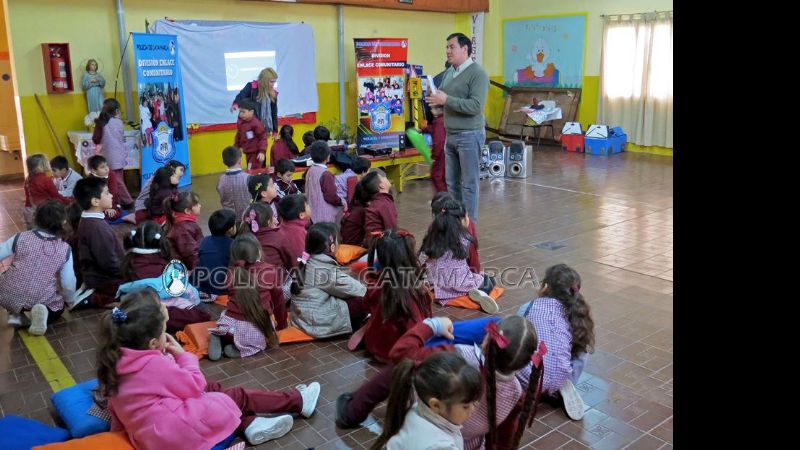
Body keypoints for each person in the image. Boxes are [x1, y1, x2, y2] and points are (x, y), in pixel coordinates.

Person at [96, 289, 321, 448]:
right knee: (233, 396)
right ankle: (297, 400)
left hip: (153, 435)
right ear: (153, 343)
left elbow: (117, 415)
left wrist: (122, 438)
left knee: (216, 390)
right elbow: (196, 385)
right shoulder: (153, 363)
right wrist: (184, 356)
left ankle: (251, 423)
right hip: (175, 433)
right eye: (165, 328)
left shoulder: (115, 361)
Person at [516, 264, 595, 421]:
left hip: (530, 379)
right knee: (581, 347)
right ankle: (565, 384)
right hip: (561, 376)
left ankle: (521, 389)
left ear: (545, 286)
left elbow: (518, 337)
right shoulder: (576, 314)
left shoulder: (528, 307)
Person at [424, 33, 489, 223]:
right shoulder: (449, 72)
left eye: (452, 47)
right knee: (451, 183)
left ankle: (470, 225)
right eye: (447, 47)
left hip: (469, 134)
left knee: (469, 183)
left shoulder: (478, 74)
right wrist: (435, 100)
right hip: (450, 134)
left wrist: (446, 99)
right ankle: (455, 221)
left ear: (465, 49)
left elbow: (476, 106)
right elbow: (446, 102)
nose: (448, 51)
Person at [370, 352, 482, 450]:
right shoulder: (440, 446)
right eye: (466, 406)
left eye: (474, 402)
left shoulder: (418, 407)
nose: (473, 409)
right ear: (436, 405)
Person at [0, 201, 77, 335]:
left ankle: (16, 317)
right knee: (57, 309)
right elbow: (68, 283)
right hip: (40, 298)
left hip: (6, 295)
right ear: (64, 222)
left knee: (8, 275)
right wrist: (70, 300)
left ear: (36, 218)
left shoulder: (21, 237)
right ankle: (32, 317)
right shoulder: (65, 250)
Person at [92, 98, 134, 209]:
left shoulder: (101, 123)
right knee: (119, 179)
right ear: (116, 111)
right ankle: (120, 201)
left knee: (116, 180)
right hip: (119, 153)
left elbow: (96, 139)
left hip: (109, 155)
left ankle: (127, 201)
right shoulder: (119, 122)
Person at [231, 67, 279, 140]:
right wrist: (235, 104)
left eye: (274, 82)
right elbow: (241, 96)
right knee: (251, 147)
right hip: (249, 125)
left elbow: (274, 113)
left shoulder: (273, 94)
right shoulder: (251, 87)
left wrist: (275, 131)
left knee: (261, 148)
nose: (273, 84)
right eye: (271, 82)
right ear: (264, 80)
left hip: (263, 128)